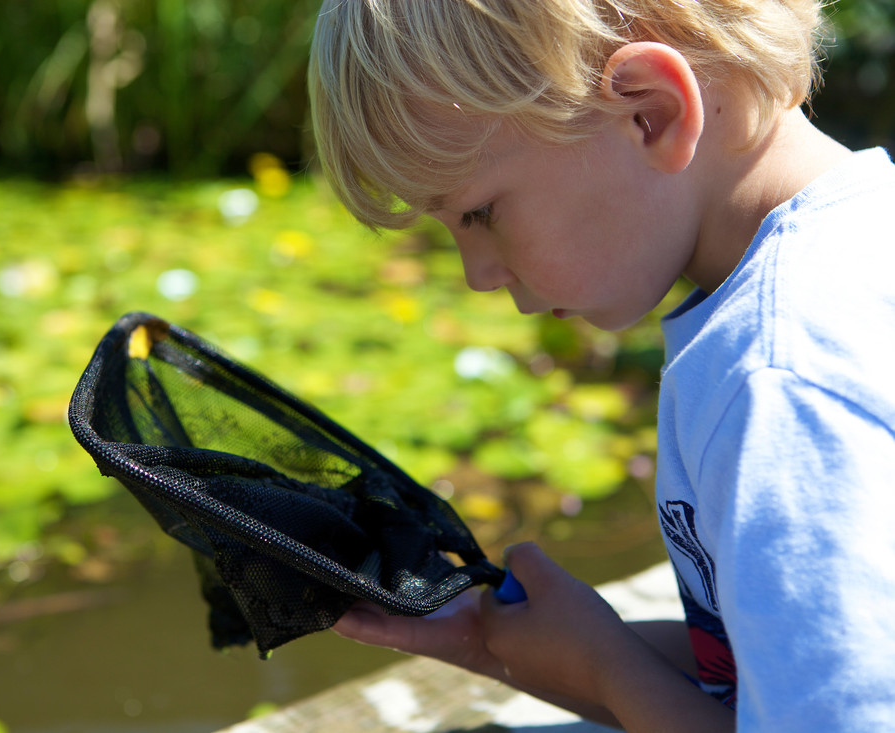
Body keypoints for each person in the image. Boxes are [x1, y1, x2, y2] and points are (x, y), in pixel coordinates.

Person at [306, 1, 895, 730]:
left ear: (649, 113)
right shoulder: (859, 248)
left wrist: (608, 670)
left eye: (480, 213)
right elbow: (770, 666)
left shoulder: (779, 377)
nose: (477, 275)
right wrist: (501, 643)